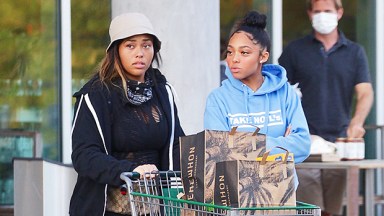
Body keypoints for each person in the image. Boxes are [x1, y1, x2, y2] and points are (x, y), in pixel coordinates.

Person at [69, 12, 185, 216]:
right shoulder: (95, 94)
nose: (140, 53)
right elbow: (84, 155)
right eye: (130, 46)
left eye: (146, 45)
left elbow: (176, 144)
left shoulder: (163, 91)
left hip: (154, 206)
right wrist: (130, 171)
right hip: (107, 207)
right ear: (116, 51)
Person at [278, 0, 374, 215]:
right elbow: (278, 91)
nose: (323, 16)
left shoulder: (354, 52)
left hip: (339, 144)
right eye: (318, 11)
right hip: (304, 142)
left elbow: (365, 92)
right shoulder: (295, 50)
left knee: (333, 209)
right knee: (311, 209)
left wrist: (357, 122)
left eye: (328, 11)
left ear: (339, 13)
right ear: (310, 13)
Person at [204, 10, 311, 165]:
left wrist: (241, 144)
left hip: (281, 186)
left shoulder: (285, 93)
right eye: (230, 52)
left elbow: (302, 146)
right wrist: (282, 145)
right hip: (237, 188)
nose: (234, 59)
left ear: (263, 56)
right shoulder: (217, 99)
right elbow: (219, 153)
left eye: (244, 52)